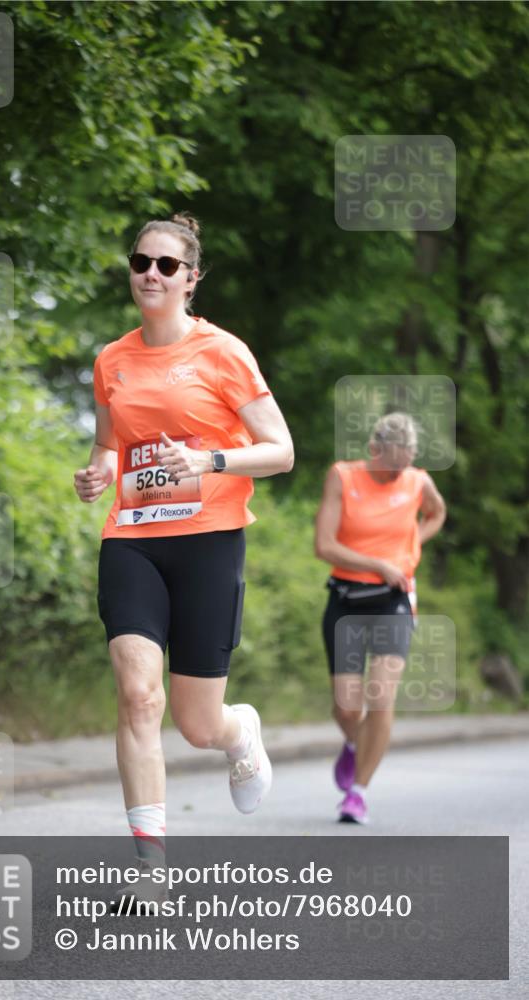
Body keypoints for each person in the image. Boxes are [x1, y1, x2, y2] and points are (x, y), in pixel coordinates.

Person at [74, 213, 293, 893]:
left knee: (197, 724)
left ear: (191, 279)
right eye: (141, 261)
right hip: (132, 541)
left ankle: (237, 732)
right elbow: (109, 445)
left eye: (167, 265)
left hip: (207, 543)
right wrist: (98, 471)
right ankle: (149, 866)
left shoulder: (223, 352)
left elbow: (281, 451)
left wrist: (208, 460)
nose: (150, 274)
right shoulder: (111, 359)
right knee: (138, 696)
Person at [314, 412, 446, 824]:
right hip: (347, 598)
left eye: (404, 465)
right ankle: (354, 743)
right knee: (348, 708)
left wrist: (410, 547)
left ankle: (358, 793)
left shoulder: (418, 481)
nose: (397, 474)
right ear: (374, 451)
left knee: (381, 694)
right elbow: (324, 545)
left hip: (394, 601)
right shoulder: (343, 477)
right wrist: (377, 563)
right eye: (391, 466)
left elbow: (437, 513)